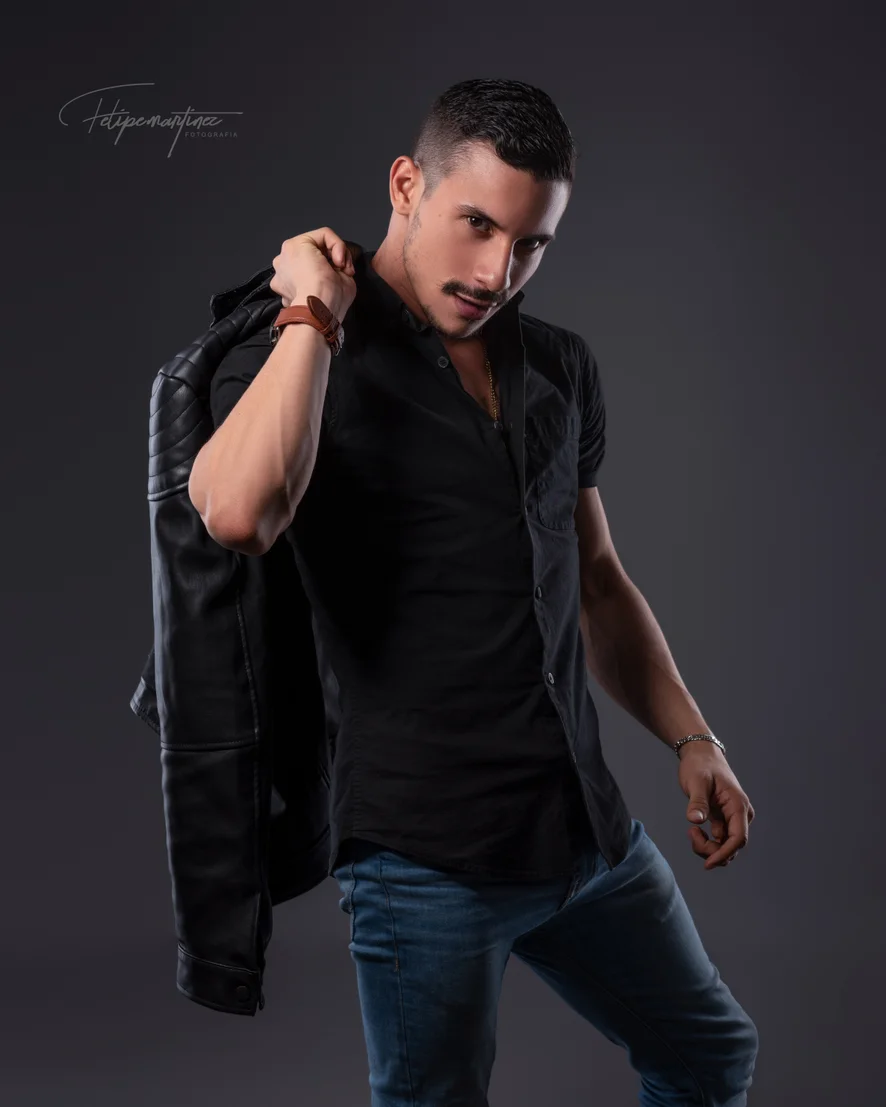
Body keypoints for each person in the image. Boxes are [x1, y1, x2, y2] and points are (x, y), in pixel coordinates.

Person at [189, 77, 759, 1107]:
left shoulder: (559, 365)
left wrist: (692, 737)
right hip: (426, 863)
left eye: (532, 243)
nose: (499, 272)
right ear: (407, 185)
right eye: (479, 225)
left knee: (710, 1055)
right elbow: (238, 513)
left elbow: (595, 579)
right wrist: (312, 312)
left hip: (585, 833)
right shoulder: (300, 352)